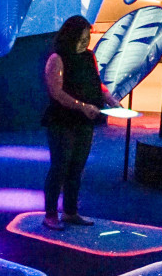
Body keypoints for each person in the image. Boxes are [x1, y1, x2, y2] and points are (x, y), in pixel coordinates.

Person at [40, 15, 119, 231]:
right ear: (70, 36)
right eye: (81, 38)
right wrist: (82, 106)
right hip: (62, 120)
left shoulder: (88, 56)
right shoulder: (57, 58)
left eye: (87, 38)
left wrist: (110, 98)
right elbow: (56, 92)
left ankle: (70, 211)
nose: (85, 43)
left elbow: (96, 82)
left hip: (85, 120)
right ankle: (50, 214)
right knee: (60, 166)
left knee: (77, 167)